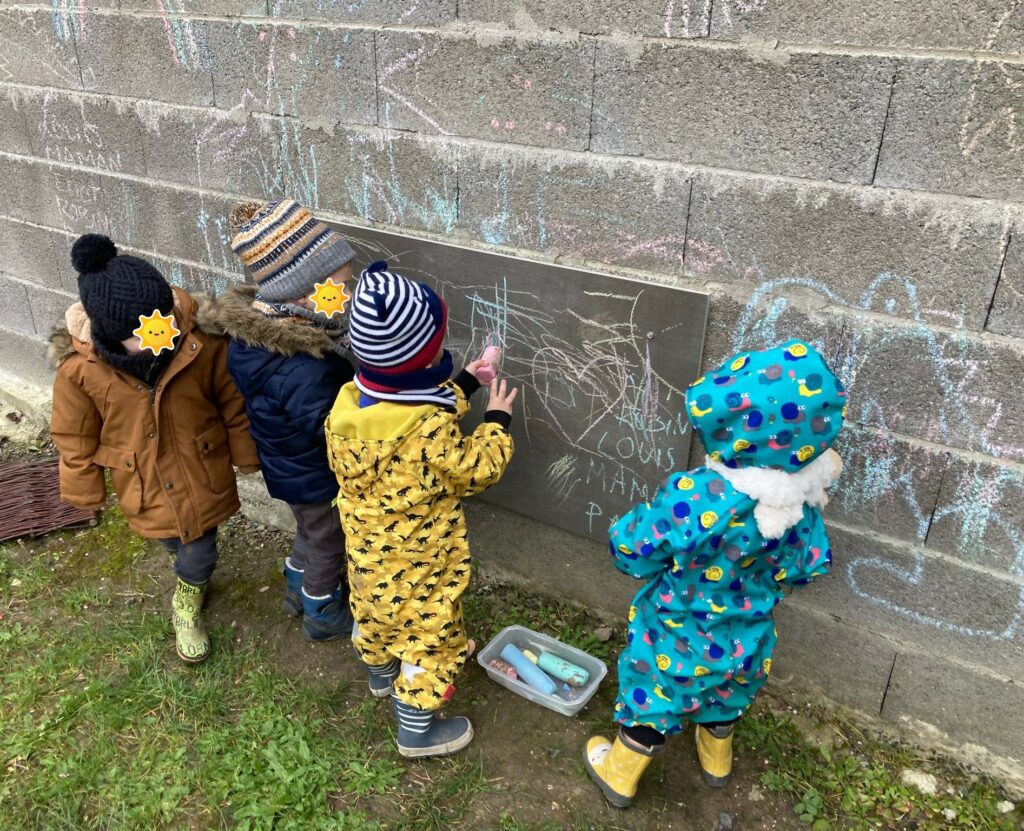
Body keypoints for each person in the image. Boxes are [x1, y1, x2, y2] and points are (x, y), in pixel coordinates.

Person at [583, 340, 846, 807]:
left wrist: (628, 543)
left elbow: (634, 549)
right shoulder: (803, 506)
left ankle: (619, 773)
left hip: (675, 630)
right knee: (727, 692)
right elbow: (810, 566)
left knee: (656, 694)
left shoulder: (698, 495)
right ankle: (716, 757)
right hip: (748, 637)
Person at [325, 260, 517, 758]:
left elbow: (408, 404)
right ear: (424, 353)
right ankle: (417, 727)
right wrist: (495, 420)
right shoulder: (429, 431)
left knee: (373, 613)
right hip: (422, 563)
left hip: (369, 556)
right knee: (430, 635)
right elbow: (473, 469)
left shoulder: (348, 408)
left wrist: (467, 383)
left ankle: (381, 675)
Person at [49, 233, 260, 664]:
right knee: (169, 538)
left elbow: (231, 401)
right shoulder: (80, 373)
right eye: (146, 334)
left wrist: (245, 452)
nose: (161, 339)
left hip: (199, 470)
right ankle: (189, 574)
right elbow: (74, 434)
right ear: (110, 333)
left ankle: (187, 598)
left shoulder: (199, 344)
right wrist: (82, 487)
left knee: (200, 547)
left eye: (164, 325)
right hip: (141, 479)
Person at [201, 198, 357, 641]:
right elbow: (330, 427)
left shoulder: (263, 337)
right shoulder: (304, 364)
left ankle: (295, 585)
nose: (347, 296)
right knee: (329, 540)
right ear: (306, 294)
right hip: (315, 473)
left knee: (309, 530)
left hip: (288, 468)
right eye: (340, 288)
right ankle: (322, 612)